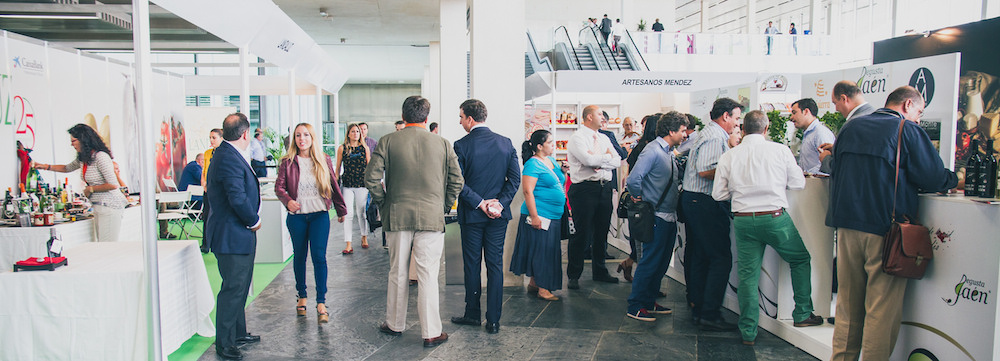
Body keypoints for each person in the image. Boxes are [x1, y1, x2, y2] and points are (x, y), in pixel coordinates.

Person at [827, 87, 957, 360]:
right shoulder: (906, 131)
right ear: (908, 104)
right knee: (881, 310)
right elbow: (933, 177)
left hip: (847, 227)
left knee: (848, 307)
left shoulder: (851, 127)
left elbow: (833, 169)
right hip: (886, 230)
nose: (919, 119)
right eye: (919, 112)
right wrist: (956, 179)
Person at [711, 110, 824, 345]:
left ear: (742, 129)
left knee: (748, 277)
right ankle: (802, 313)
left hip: (742, 220)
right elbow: (798, 183)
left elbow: (718, 194)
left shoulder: (729, 155)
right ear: (766, 128)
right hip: (774, 218)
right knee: (800, 259)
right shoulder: (780, 150)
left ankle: (748, 332)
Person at [366, 95, 463, 348]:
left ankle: (394, 323)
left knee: (397, 272)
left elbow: (371, 178)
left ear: (404, 115)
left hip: (397, 214)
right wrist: (441, 206)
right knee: (428, 274)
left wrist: (384, 203)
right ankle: (431, 332)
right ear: (427, 118)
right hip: (432, 216)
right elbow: (457, 182)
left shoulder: (388, 141)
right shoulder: (442, 143)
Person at [450, 99, 521, 334]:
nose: (460, 121)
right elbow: (514, 180)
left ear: (470, 119)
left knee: (472, 265)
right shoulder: (506, 143)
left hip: (472, 215)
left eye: (461, 117)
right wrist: (499, 204)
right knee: (495, 266)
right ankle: (493, 320)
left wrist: (480, 203)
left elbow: (458, 182)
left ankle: (472, 315)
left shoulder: (461, 145)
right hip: (498, 217)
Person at [275, 122, 347, 323]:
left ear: (312, 138)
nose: (302, 139)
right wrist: (288, 200)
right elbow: (279, 187)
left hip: (319, 216)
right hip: (297, 217)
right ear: (294, 139)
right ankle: (302, 296)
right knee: (299, 256)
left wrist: (341, 209)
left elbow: (333, 184)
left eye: (306, 135)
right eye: (298, 135)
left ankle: (321, 301)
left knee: (319, 257)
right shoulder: (287, 162)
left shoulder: (323, 159)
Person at [204, 113, 262, 360]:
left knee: (240, 287)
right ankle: (225, 344)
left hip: (237, 234)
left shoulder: (228, 154)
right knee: (232, 289)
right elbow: (236, 197)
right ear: (245, 134)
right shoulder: (228, 157)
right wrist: (254, 220)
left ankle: (238, 333)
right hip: (232, 234)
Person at [681, 97, 742, 331]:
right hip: (704, 201)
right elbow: (706, 170)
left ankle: (699, 307)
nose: (737, 124)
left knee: (701, 256)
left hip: (696, 200)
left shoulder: (710, 134)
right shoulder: (716, 137)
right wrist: (734, 166)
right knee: (720, 257)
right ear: (725, 116)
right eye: (736, 118)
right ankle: (709, 312)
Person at [624, 111, 688, 322]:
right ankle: (636, 305)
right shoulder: (653, 150)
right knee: (650, 262)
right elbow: (634, 179)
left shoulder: (668, 151)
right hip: (655, 215)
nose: (685, 134)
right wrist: (639, 199)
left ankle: (649, 301)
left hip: (667, 215)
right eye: (681, 130)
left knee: (660, 262)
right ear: (671, 131)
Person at [33, 124, 128, 243]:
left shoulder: (100, 157)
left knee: (106, 245)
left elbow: (113, 184)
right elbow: (67, 168)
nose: (71, 144)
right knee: (102, 244)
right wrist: (45, 167)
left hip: (110, 205)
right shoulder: (84, 158)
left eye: (74, 141)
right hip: (99, 206)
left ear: (83, 140)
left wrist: (91, 189)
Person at [566, 105, 622, 290]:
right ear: (589, 117)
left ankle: (600, 271)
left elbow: (617, 160)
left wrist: (600, 160)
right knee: (581, 233)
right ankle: (574, 274)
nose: (603, 118)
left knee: (601, 231)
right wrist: (602, 158)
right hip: (584, 189)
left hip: (604, 189)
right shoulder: (578, 138)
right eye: (600, 114)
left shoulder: (604, 137)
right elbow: (588, 161)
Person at [510, 129, 565, 301]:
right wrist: (534, 216)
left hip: (553, 215)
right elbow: (527, 191)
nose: (553, 145)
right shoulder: (532, 164)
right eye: (550, 142)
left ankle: (535, 283)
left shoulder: (550, 160)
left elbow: (555, 180)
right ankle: (543, 288)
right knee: (543, 253)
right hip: (541, 215)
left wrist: (563, 169)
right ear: (540, 146)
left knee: (544, 251)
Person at [621, 114, 660, 283]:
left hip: (641, 202)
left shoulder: (641, 146)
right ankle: (644, 289)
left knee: (641, 243)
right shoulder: (648, 148)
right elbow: (633, 178)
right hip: (644, 203)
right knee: (644, 245)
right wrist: (637, 195)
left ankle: (630, 266)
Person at [818, 81, 875, 174]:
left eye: (835, 103)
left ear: (843, 98)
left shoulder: (853, 125)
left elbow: (845, 168)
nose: (836, 109)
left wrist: (826, 159)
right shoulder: (874, 115)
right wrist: (838, 149)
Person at [335, 123, 371, 254]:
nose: (355, 133)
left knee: (361, 213)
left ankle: (364, 236)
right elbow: (338, 167)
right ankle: (348, 243)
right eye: (353, 131)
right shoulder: (342, 148)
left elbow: (369, 166)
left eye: (357, 131)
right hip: (348, 184)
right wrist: (335, 182)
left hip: (362, 184)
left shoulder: (364, 148)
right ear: (348, 134)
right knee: (348, 214)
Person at [790, 98, 836, 175]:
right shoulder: (808, 133)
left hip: (819, 184)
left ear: (806, 111)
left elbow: (827, 164)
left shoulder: (820, 133)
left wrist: (807, 173)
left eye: (794, 113)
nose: (791, 118)